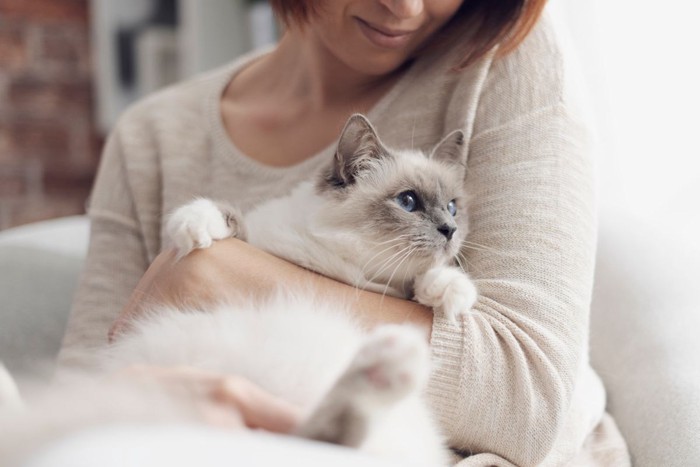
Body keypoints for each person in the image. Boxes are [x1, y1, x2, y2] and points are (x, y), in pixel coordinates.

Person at [58, 0, 630, 465]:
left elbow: (527, 398)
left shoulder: (505, 60)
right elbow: (82, 401)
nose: (404, 8)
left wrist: (224, 275)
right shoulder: (150, 137)